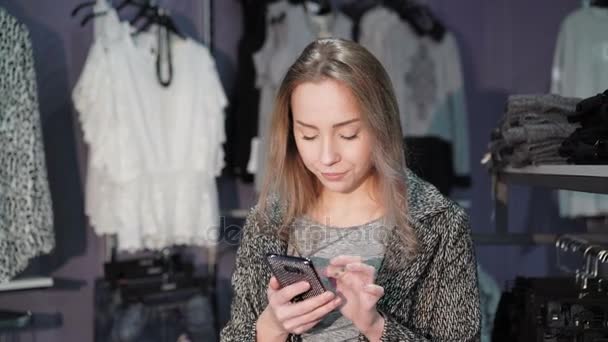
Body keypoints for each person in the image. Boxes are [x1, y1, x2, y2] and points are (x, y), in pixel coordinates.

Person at [220, 38, 480, 342]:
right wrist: (271, 328)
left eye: (348, 134)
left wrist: (376, 327)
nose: (327, 156)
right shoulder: (270, 220)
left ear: (380, 125)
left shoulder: (440, 224)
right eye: (308, 135)